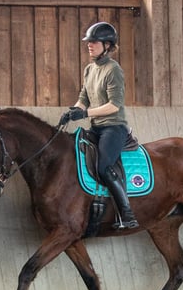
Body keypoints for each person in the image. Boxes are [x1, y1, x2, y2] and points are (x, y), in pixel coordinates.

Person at [58, 21, 139, 230]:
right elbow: (83, 98)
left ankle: (126, 213)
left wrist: (85, 113)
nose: (89, 45)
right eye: (89, 41)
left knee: (103, 166)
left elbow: (114, 105)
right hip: (95, 128)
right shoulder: (89, 69)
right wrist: (73, 111)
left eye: (94, 42)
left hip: (113, 127)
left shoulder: (114, 70)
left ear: (107, 45)